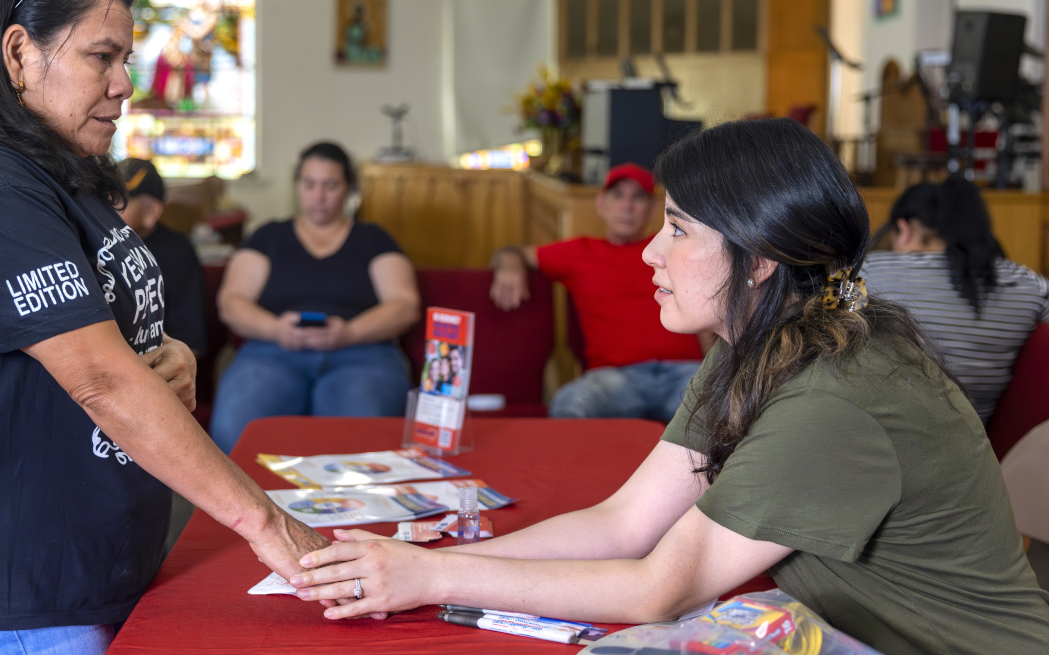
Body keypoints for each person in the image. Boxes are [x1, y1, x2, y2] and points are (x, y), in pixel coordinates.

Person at [289, 118, 1049, 654]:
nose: (651, 251)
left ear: (759, 260)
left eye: (680, 229)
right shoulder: (756, 341)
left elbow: (661, 587)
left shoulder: (837, 394)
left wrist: (428, 572)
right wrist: (431, 567)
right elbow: (624, 522)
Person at [0, 0, 333, 655]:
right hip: (23, 585)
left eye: (128, 58)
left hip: (94, 557)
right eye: (102, 56)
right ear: (20, 51)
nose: (127, 83)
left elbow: (101, 325)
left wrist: (170, 351)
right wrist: (266, 524)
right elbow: (99, 377)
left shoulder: (59, 167)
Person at [210, 142, 420, 453]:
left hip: (363, 354)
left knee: (361, 436)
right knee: (234, 423)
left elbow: (405, 305)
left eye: (330, 186)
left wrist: (350, 333)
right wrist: (276, 329)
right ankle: (243, 504)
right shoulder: (268, 236)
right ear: (298, 186)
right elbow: (232, 302)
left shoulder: (373, 239)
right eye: (309, 184)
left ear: (349, 189)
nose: (318, 196)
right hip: (272, 351)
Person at [490, 163, 706, 421]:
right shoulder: (579, 252)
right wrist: (510, 264)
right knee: (569, 403)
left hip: (684, 374)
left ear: (651, 210)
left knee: (720, 411)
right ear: (601, 204)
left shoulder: (672, 250)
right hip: (615, 379)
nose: (627, 206)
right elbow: (511, 252)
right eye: (618, 196)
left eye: (638, 197)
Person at [862, 178, 1049, 425]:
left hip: (880, 441)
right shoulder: (1029, 284)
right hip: (978, 448)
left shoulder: (869, 272)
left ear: (904, 229)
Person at [118, 157, 208, 357]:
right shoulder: (85, 243)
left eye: (119, 199)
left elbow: (189, 340)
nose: (105, 206)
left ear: (152, 211)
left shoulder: (177, 252)